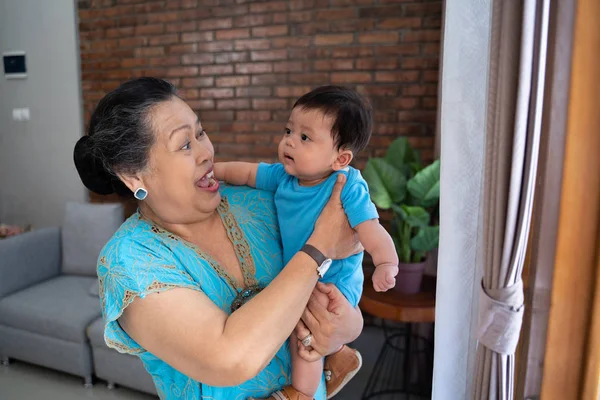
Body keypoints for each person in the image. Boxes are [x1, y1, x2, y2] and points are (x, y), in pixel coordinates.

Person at [73, 78, 365, 400]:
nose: (206, 152)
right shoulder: (129, 262)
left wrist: (346, 327)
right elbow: (230, 358)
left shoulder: (258, 201)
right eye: (185, 144)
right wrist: (319, 245)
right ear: (133, 175)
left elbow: (342, 268)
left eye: (201, 133)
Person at [214, 86, 399, 398]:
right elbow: (245, 172)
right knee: (295, 322)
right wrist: (213, 171)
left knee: (305, 337)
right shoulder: (284, 176)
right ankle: (339, 355)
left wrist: (385, 262)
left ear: (340, 157)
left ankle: (302, 392)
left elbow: (371, 229)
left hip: (334, 283)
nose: (289, 141)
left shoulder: (348, 185)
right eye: (289, 130)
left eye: (304, 138)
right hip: (304, 274)